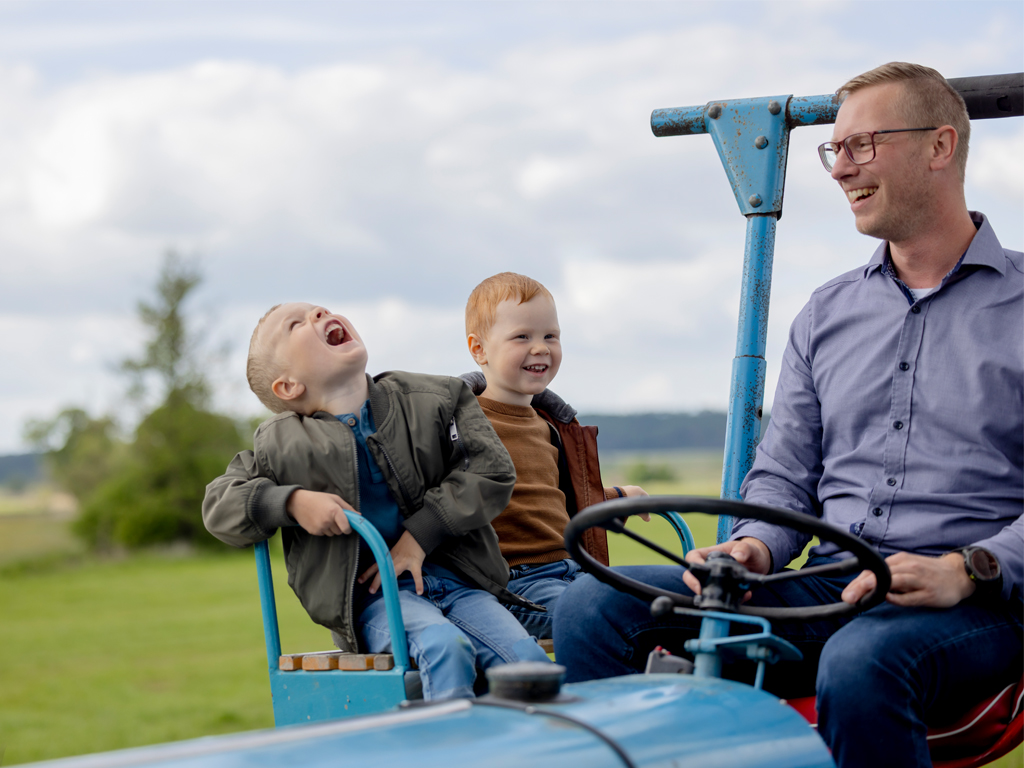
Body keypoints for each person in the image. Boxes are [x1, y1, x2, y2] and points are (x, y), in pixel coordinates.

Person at [553, 62, 1022, 766]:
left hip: (973, 598)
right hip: (830, 582)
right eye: (835, 149)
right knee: (590, 607)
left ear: (940, 146)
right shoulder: (828, 313)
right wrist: (754, 548)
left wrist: (972, 566)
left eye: (864, 144)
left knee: (863, 662)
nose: (840, 168)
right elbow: (782, 473)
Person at [203, 302, 550, 701]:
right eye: (296, 324)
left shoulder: (434, 399)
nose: (317, 314)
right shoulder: (282, 447)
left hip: (461, 584)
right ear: (288, 386)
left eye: (319, 310)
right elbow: (219, 505)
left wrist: (419, 537)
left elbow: (490, 470)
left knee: (529, 660)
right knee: (444, 648)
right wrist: (293, 502)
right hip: (377, 600)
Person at [461, 272, 647, 639]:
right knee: (616, 623)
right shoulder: (462, 422)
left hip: (573, 569)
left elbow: (551, 500)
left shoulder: (552, 425)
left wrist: (616, 499)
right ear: (479, 349)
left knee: (661, 604)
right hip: (514, 585)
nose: (541, 347)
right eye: (522, 337)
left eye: (550, 335)